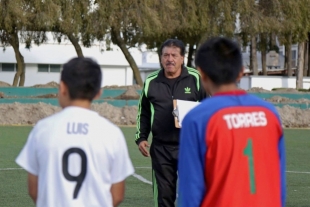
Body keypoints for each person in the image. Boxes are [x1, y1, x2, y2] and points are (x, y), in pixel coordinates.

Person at [178, 37, 286, 207]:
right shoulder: (269, 113)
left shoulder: (197, 118)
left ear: (201, 73)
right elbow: (279, 182)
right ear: (241, 72)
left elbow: (191, 191)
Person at [15, 57, 134, 207]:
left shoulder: (42, 129)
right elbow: (117, 195)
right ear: (98, 93)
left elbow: (34, 190)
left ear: (63, 87)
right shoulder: (112, 133)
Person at [135, 39, 206, 207]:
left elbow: (208, 108)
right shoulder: (151, 81)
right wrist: (141, 137)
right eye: (166, 55)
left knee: (193, 195)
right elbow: (143, 112)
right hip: (161, 149)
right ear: (161, 58)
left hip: (190, 147)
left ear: (182, 58)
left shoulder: (195, 78)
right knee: (164, 196)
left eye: (174, 55)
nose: (170, 59)